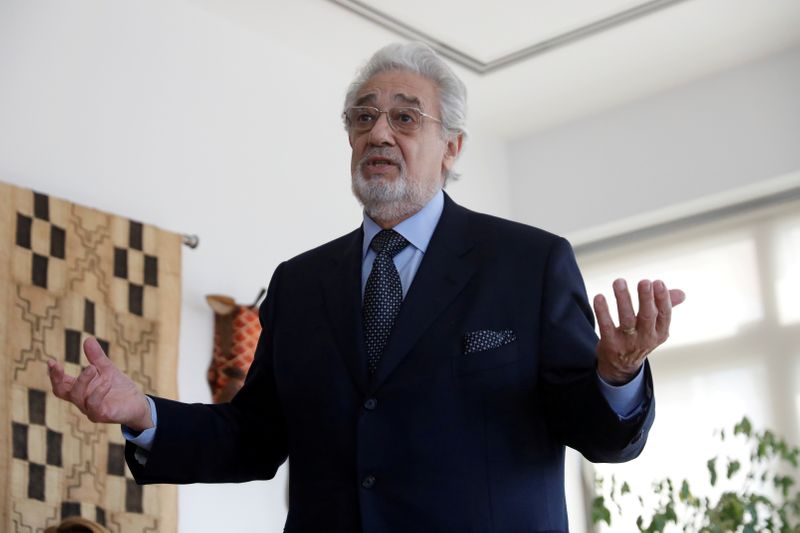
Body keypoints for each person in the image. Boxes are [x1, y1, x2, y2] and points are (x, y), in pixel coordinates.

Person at [48, 42, 685, 532]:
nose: (379, 133)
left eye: (406, 118)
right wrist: (143, 414)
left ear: (451, 147)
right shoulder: (298, 284)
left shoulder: (529, 262)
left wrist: (616, 372)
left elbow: (602, 436)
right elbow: (254, 437)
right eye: (364, 117)